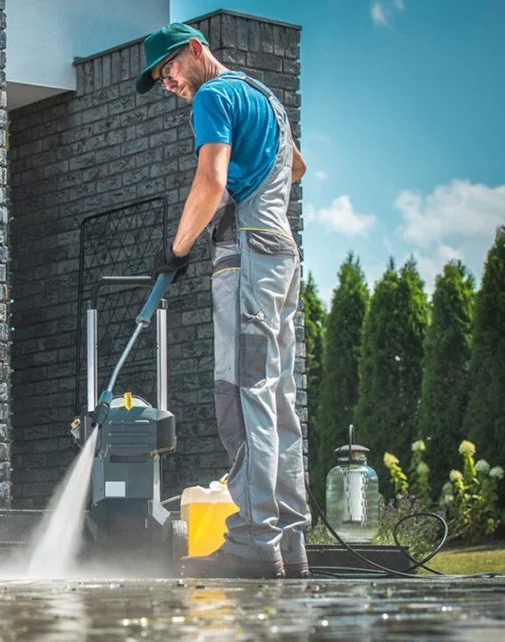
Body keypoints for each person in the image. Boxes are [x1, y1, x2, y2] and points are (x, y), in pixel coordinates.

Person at [135, 23, 311, 579]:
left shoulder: (212, 95)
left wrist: (176, 250)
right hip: (281, 253)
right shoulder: (266, 99)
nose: (168, 82)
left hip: (250, 257)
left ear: (195, 49)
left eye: (169, 68)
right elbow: (297, 168)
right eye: (161, 78)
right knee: (277, 396)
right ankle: (288, 540)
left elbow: (209, 183)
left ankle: (254, 541)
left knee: (242, 392)